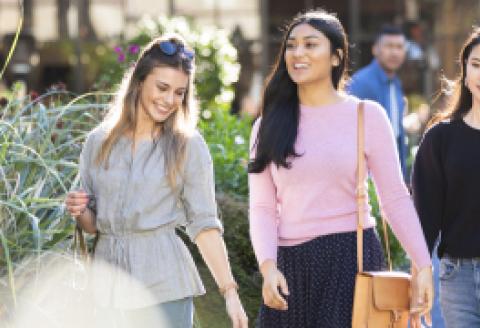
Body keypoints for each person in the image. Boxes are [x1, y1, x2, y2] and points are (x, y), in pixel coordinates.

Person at [248, 10, 433, 327]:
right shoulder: (267, 125)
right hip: (288, 267)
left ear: (336, 57)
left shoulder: (366, 116)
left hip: (350, 258)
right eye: (291, 46)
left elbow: (394, 197)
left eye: (310, 45)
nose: (298, 53)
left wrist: (423, 264)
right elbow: (263, 207)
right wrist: (268, 267)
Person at [64, 34, 248, 328]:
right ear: (139, 80)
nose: (169, 100)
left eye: (179, 93)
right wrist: (80, 208)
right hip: (107, 290)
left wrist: (230, 292)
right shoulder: (98, 142)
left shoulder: (188, 145)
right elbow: (93, 225)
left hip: (165, 287)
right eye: (162, 87)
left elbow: (204, 224)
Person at [412, 27, 480, 328]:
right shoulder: (440, 137)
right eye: (477, 65)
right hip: (458, 277)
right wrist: (419, 272)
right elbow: (424, 215)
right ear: (465, 71)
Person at [347, 25, 408, 178]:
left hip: (389, 169)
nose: (394, 52)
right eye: (389, 46)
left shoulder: (395, 82)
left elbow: (397, 132)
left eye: (399, 47)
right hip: (366, 175)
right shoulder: (361, 82)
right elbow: (348, 132)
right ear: (375, 49)